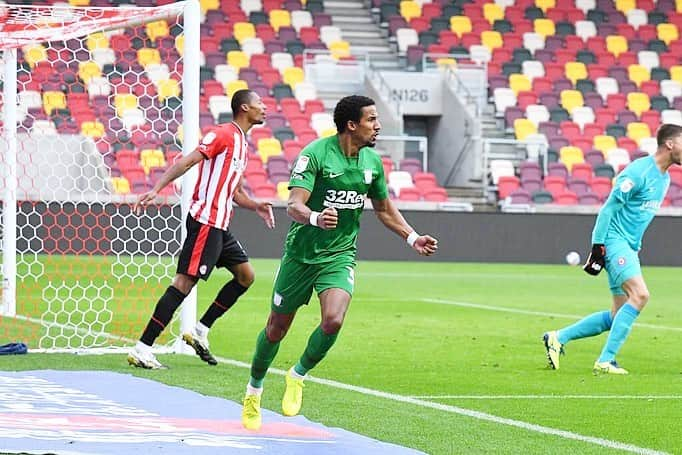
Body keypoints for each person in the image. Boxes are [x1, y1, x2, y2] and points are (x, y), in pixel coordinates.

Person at [240, 95, 439, 430]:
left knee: (333, 320)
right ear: (352, 124)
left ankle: (298, 374)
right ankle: (253, 391)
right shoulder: (315, 155)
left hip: (339, 255)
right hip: (301, 256)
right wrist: (316, 217)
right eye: (372, 120)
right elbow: (293, 205)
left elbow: (384, 209)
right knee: (276, 328)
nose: (377, 126)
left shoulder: (372, 163)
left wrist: (411, 236)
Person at [127, 89, 275, 369]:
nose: (264, 108)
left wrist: (255, 205)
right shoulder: (222, 134)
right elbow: (187, 161)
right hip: (206, 221)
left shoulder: (243, 144)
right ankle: (143, 348)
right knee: (183, 283)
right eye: (259, 104)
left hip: (220, 225)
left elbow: (236, 192)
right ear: (244, 108)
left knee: (245, 276)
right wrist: (156, 189)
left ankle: (200, 330)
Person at [543, 123, 682, 375]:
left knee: (617, 314)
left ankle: (557, 337)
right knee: (640, 295)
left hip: (629, 246)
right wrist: (597, 246)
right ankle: (606, 360)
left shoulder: (664, 178)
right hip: (614, 243)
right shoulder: (638, 172)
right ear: (670, 144)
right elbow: (608, 208)